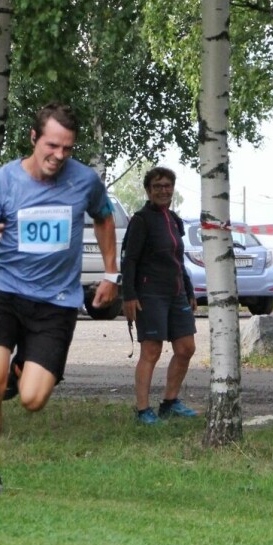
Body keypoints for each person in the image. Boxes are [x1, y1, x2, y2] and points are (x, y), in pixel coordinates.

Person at [0, 103, 119, 495]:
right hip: (3, 292)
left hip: (57, 302)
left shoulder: (84, 180)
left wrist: (110, 273)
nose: (59, 156)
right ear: (34, 138)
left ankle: (22, 371)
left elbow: (103, 217)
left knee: (32, 399)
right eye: (52, 146)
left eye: (68, 148)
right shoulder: (3, 182)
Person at [121, 166, 199, 425]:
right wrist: (129, 295)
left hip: (176, 293)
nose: (163, 190)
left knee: (186, 348)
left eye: (167, 186)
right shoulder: (141, 220)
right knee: (151, 351)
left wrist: (188, 291)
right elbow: (129, 260)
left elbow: (178, 260)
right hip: (149, 294)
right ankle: (143, 410)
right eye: (157, 186)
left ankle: (170, 402)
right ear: (148, 190)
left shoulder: (174, 219)